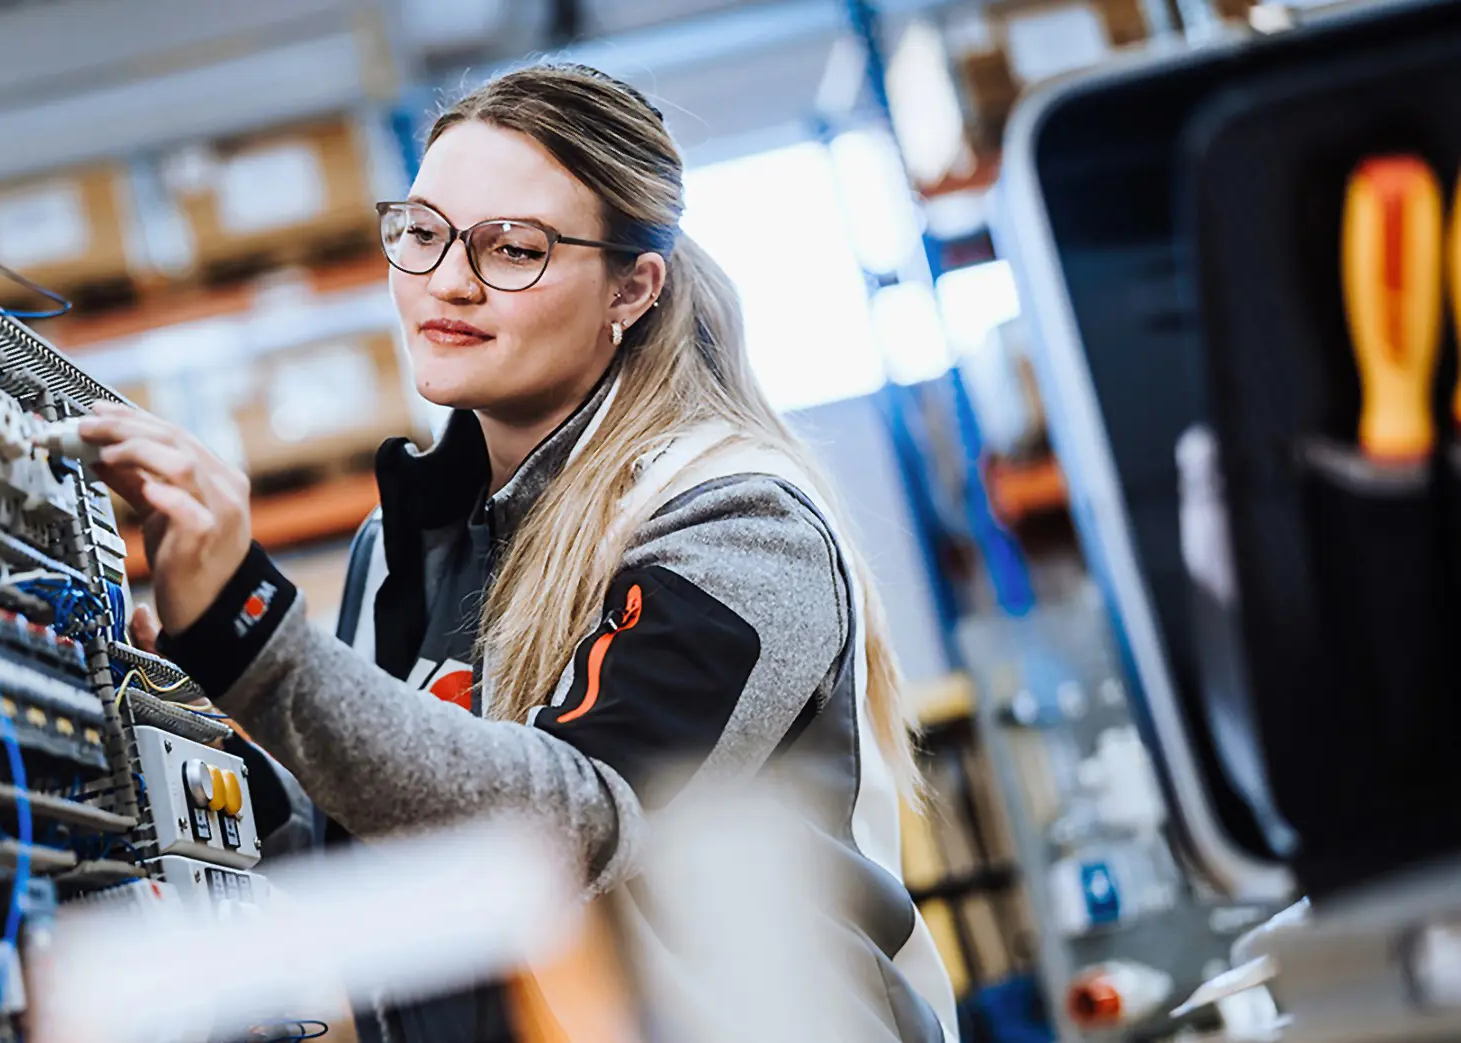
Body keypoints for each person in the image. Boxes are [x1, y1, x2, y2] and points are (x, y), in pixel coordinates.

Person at [76, 63, 957, 1042]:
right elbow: (375, 844)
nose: (449, 280)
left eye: (513, 249)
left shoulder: (737, 524)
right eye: (421, 232)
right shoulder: (406, 541)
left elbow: (564, 826)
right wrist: (192, 729)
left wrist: (252, 631)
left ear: (633, 286)